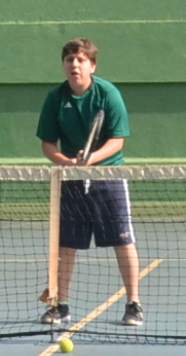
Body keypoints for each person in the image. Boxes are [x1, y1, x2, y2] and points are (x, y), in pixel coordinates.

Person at [37, 38, 142, 328]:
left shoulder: (108, 94)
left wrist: (92, 158)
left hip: (108, 177)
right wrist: (68, 163)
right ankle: (61, 306)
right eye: (70, 60)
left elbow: (118, 140)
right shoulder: (56, 99)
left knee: (123, 241)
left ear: (92, 65)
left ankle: (134, 305)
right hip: (71, 178)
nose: (74, 65)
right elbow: (47, 144)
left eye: (81, 60)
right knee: (66, 245)